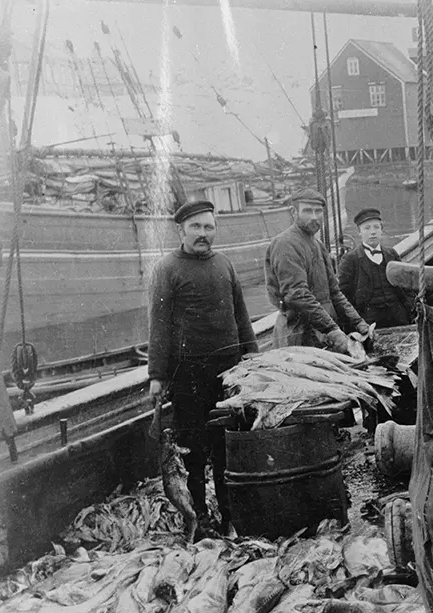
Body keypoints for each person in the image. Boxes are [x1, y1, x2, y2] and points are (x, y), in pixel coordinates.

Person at [148, 199, 258, 536]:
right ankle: (198, 517)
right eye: (196, 227)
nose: (203, 234)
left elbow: (241, 315)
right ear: (181, 230)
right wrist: (157, 374)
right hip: (188, 376)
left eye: (209, 227)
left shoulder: (224, 264)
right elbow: (160, 324)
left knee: (227, 447)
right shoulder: (168, 268)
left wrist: (252, 356)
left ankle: (229, 515)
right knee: (193, 452)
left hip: (228, 372)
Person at [265, 188, 370, 352]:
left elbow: (334, 292)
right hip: (298, 335)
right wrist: (331, 329)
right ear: (294, 212)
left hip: (323, 332)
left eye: (318, 211)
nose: (314, 217)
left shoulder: (318, 245)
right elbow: (297, 294)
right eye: (307, 211)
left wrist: (358, 322)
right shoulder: (286, 244)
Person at [337, 207, 414, 327]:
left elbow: (406, 286)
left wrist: (409, 308)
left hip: (398, 316)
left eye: (376, 227)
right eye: (367, 228)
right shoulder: (350, 259)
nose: (372, 232)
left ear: (381, 230)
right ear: (359, 232)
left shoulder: (391, 254)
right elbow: (342, 294)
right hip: (368, 320)